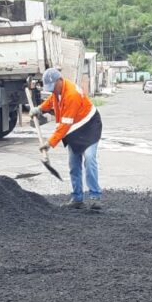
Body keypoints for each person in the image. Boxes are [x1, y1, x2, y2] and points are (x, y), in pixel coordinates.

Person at [36, 67, 103, 210]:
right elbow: (52, 101)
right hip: (74, 129)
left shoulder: (71, 94)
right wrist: (40, 109)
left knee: (90, 159)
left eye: (53, 87)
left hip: (89, 126)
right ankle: (77, 198)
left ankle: (95, 196)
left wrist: (49, 143)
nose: (52, 90)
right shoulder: (57, 91)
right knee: (74, 164)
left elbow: (65, 125)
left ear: (60, 80)